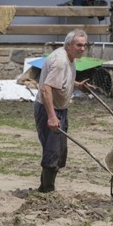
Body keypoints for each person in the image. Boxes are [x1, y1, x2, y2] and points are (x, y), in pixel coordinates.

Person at [34, 29, 90, 193]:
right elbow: (46, 89)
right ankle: (47, 192)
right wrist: (51, 116)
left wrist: (77, 85)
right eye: (79, 45)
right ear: (69, 45)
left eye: (84, 45)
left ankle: (43, 187)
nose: (82, 48)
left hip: (60, 109)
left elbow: (61, 82)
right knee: (52, 152)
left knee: (59, 153)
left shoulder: (69, 58)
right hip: (49, 109)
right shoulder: (61, 62)